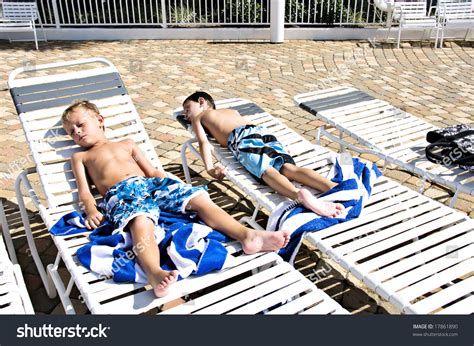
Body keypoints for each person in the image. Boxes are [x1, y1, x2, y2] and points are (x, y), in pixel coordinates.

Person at [62, 100, 290, 298]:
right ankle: (153, 272)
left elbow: (153, 172)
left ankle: (248, 236)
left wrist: (174, 185)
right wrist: (91, 209)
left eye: (80, 125)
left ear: (100, 120)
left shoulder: (128, 143)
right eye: (71, 132)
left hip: (151, 185)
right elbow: (84, 191)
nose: (77, 133)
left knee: (198, 198)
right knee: (141, 220)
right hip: (121, 193)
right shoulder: (80, 157)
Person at [182, 91, 344, 218]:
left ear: (201, 102)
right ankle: (332, 187)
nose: (186, 116)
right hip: (261, 133)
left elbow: (203, 142)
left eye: (188, 109)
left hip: (241, 139)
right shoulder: (231, 111)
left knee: (266, 171)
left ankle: (298, 195)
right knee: (288, 168)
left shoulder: (200, 117)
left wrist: (210, 169)